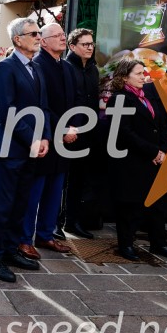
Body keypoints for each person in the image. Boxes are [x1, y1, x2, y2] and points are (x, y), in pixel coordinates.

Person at [0, 18, 50, 282]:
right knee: (4, 206)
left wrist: (44, 137)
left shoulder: (37, 67)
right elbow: (7, 110)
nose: (38, 37)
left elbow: (44, 107)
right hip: (10, 149)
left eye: (39, 32)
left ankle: (11, 251)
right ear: (17, 39)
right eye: (33, 33)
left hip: (32, 149)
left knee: (21, 204)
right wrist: (32, 138)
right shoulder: (5, 68)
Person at [107, 59, 167, 261]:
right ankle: (125, 244)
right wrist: (153, 152)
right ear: (125, 77)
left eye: (144, 73)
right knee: (130, 206)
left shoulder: (147, 97)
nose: (144, 77)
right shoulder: (119, 99)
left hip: (156, 160)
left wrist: (163, 150)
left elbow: (161, 126)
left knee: (158, 204)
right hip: (132, 161)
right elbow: (124, 132)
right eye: (139, 73)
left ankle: (159, 244)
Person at [19, 24, 80, 258]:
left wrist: (74, 126)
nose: (63, 38)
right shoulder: (37, 66)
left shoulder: (67, 67)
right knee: (34, 193)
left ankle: (45, 235)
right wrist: (62, 128)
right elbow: (40, 105)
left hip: (65, 140)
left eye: (63, 35)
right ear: (43, 41)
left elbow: (75, 101)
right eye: (57, 35)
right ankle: (25, 239)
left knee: (55, 192)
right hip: (44, 137)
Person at [61, 28, 98, 239]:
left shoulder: (93, 69)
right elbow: (62, 102)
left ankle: (72, 221)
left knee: (79, 180)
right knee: (62, 180)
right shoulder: (65, 67)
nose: (90, 47)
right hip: (69, 133)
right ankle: (55, 222)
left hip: (87, 133)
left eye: (92, 44)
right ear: (72, 46)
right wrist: (66, 128)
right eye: (85, 44)